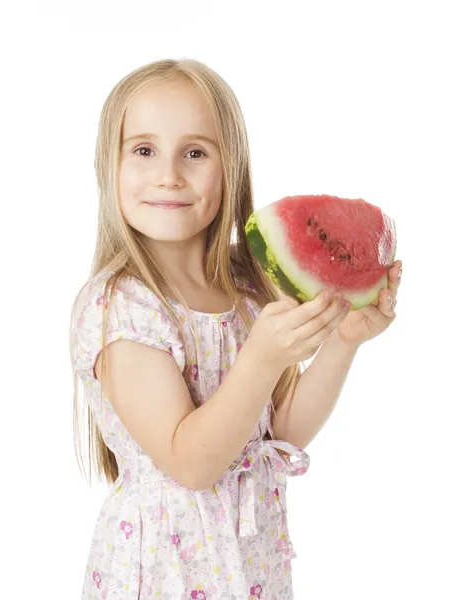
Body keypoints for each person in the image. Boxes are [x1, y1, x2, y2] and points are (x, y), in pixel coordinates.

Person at [69, 58, 402, 600]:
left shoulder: (247, 290)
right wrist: (262, 359)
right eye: (144, 150)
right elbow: (191, 462)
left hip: (251, 570)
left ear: (233, 166)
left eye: (195, 153)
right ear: (110, 165)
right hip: (162, 576)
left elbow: (281, 432)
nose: (169, 174)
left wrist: (344, 341)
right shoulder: (121, 308)